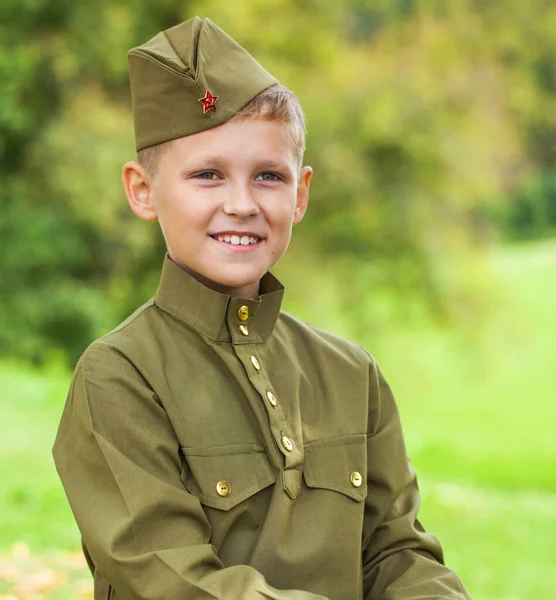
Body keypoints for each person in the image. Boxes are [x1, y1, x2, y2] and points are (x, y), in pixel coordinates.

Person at [53, 16, 471, 600]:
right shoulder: (121, 377)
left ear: (299, 195)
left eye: (268, 177)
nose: (242, 204)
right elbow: (173, 583)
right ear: (142, 191)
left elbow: (397, 553)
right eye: (207, 175)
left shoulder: (352, 373)